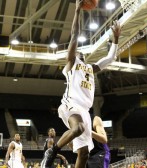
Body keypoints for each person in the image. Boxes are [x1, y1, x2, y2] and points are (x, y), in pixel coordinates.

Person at [40, 0, 120, 167]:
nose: (79, 51)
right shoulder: (71, 63)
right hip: (71, 105)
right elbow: (75, 35)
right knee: (78, 128)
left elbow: (110, 58)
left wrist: (116, 39)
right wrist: (77, 11)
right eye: (77, 51)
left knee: (83, 154)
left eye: (81, 52)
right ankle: (52, 151)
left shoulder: (90, 68)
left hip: (84, 110)